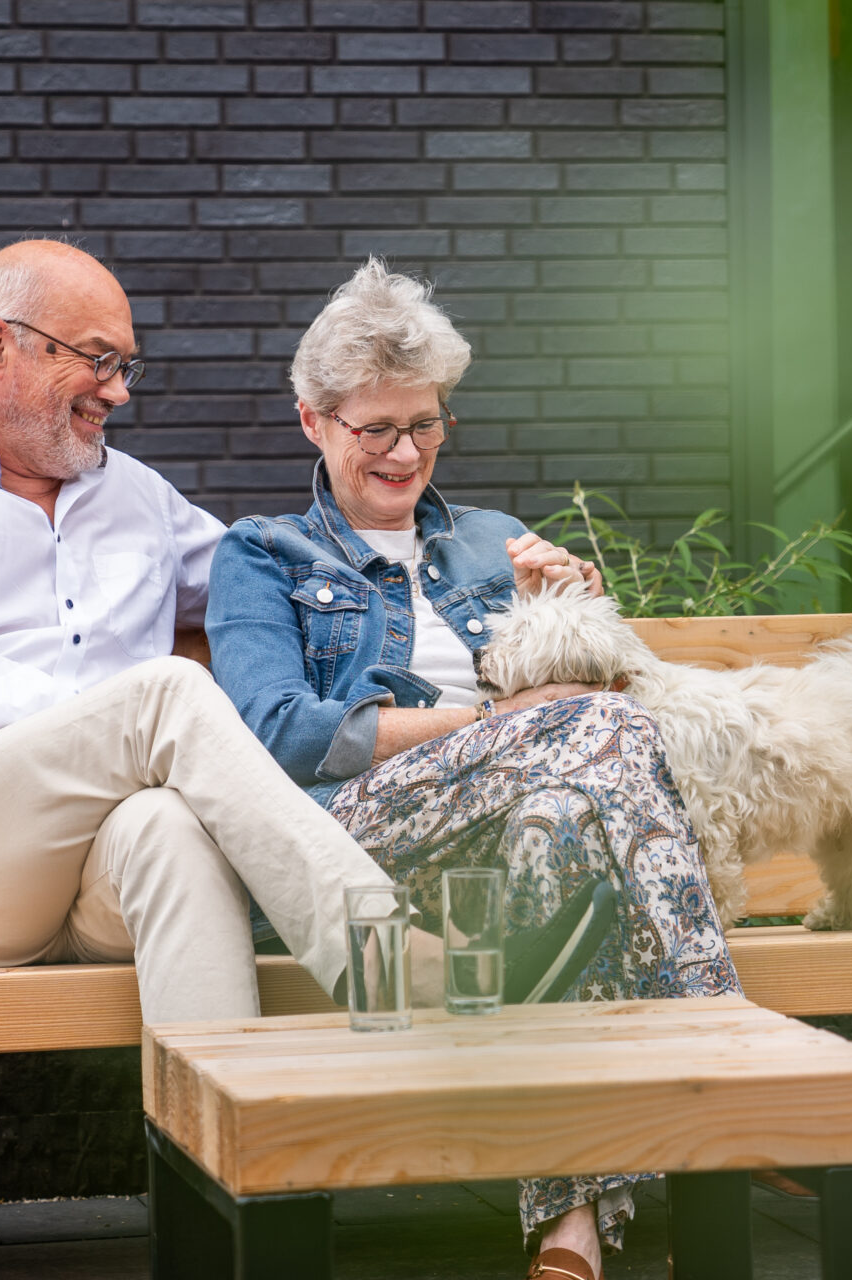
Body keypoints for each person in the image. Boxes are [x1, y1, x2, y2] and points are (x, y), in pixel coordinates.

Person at [0, 240, 605, 1029]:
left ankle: (222, 1141)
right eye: (98, 360)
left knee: (171, 828)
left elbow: (291, 580)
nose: (118, 393)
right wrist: (119, 724)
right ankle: (387, 960)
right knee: (164, 695)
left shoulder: (139, 499)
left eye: (126, 368)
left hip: (93, 864)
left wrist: (548, 604)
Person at [206, 259, 743, 1280]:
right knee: (586, 738)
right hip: (350, 844)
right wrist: (497, 720)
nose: (406, 451)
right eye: (377, 428)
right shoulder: (262, 553)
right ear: (312, 419)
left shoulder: (494, 540)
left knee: (566, 825)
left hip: (509, 855)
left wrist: (576, 610)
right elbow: (278, 730)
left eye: (427, 423)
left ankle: (570, 1232)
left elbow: (602, 708)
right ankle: (720, 1043)